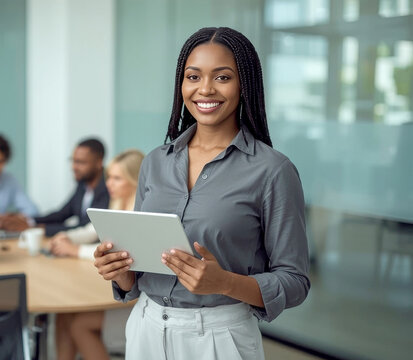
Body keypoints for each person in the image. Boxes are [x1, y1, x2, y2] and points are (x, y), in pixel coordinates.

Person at [93, 27, 310, 360]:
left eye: (222, 77)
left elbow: (294, 281)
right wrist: (120, 271)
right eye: (193, 76)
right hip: (146, 328)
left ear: (244, 85)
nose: (205, 89)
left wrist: (224, 282)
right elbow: (136, 276)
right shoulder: (155, 162)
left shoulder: (273, 171)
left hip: (219, 337)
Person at [53, 149, 144, 360]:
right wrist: (65, 237)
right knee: (64, 315)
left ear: (134, 179)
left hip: (133, 301)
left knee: (79, 325)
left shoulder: (139, 211)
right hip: (115, 293)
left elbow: (120, 255)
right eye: (108, 177)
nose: (109, 184)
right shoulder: (118, 203)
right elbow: (91, 230)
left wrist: (74, 250)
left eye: (116, 178)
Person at [0, 138, 110, 236]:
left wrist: (36, 229)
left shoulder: (108, 188)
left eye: (80, 162)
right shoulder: (83, 185)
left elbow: (85, 228)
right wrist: (28, 221)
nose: (74, 167)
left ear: (98, 162)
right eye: (73, 161)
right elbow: (61, 214)